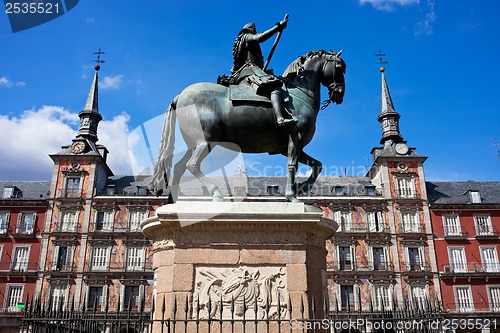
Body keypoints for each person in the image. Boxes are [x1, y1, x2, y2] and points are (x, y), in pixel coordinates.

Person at [231, 19, 297, 127]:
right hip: (251, 71)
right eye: (254, 29)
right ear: (249, 30)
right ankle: (280, 118)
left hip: (253, 71)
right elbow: (260, 37)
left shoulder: (242, 43)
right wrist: (278, 27)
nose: (255, 32)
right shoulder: (246, 37)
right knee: (275, 86)